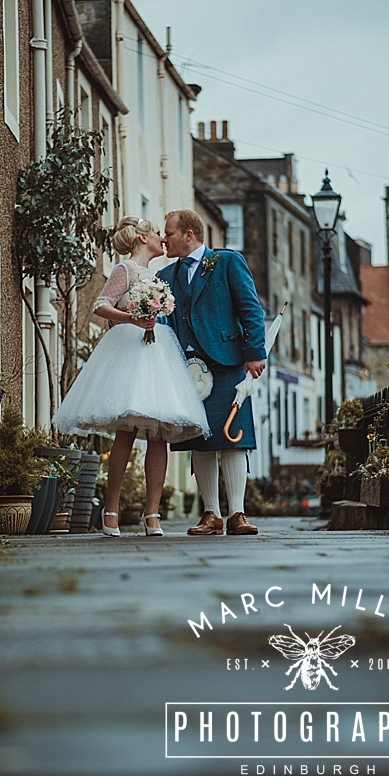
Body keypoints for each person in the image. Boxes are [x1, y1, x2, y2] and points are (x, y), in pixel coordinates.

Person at [53, 218, 209, 537]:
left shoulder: (156, 276)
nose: (162, 239)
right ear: (141, 238)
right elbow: (100, 305)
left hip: (158, 354)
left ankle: (152, 514)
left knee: (159, 433)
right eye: (156, 233)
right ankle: (110, 511)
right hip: (128, 351)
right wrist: (132, 319)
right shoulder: (124, 270)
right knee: (126, 430)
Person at [158, 209, 268, 536]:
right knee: (199, 438)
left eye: (170, 233)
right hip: (186, 369)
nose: (164, 239)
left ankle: (237, 514)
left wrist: (255, 353)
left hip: (228, 360)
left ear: (189, 235)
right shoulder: (164, 276)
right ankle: (211, 514)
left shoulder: (227, 262)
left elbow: (250, 308)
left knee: (234, 437)